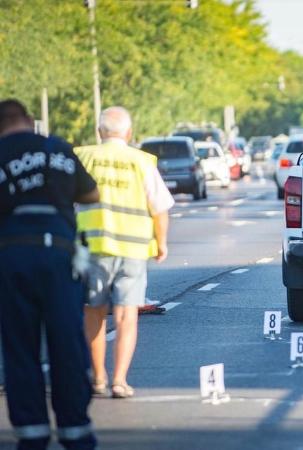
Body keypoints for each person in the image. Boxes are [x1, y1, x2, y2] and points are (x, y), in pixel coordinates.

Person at [0, 99, 98, 449]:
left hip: (12, 257)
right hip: (60, 254)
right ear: (29, 119)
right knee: (66, 342)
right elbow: (91, 192)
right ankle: (76, 430)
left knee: (20, 347)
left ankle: (32, 434)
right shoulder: (57, 148)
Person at [76, 106, 174, 399]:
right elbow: (159, 208)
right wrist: (161, 242)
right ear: (129, 134)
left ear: (99, 132)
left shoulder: (82, 158)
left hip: (92, 248)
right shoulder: (141, 162)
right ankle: (119, 380)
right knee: (126, 316)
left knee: (92, 313)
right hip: (132, 249)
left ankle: (98, 378)